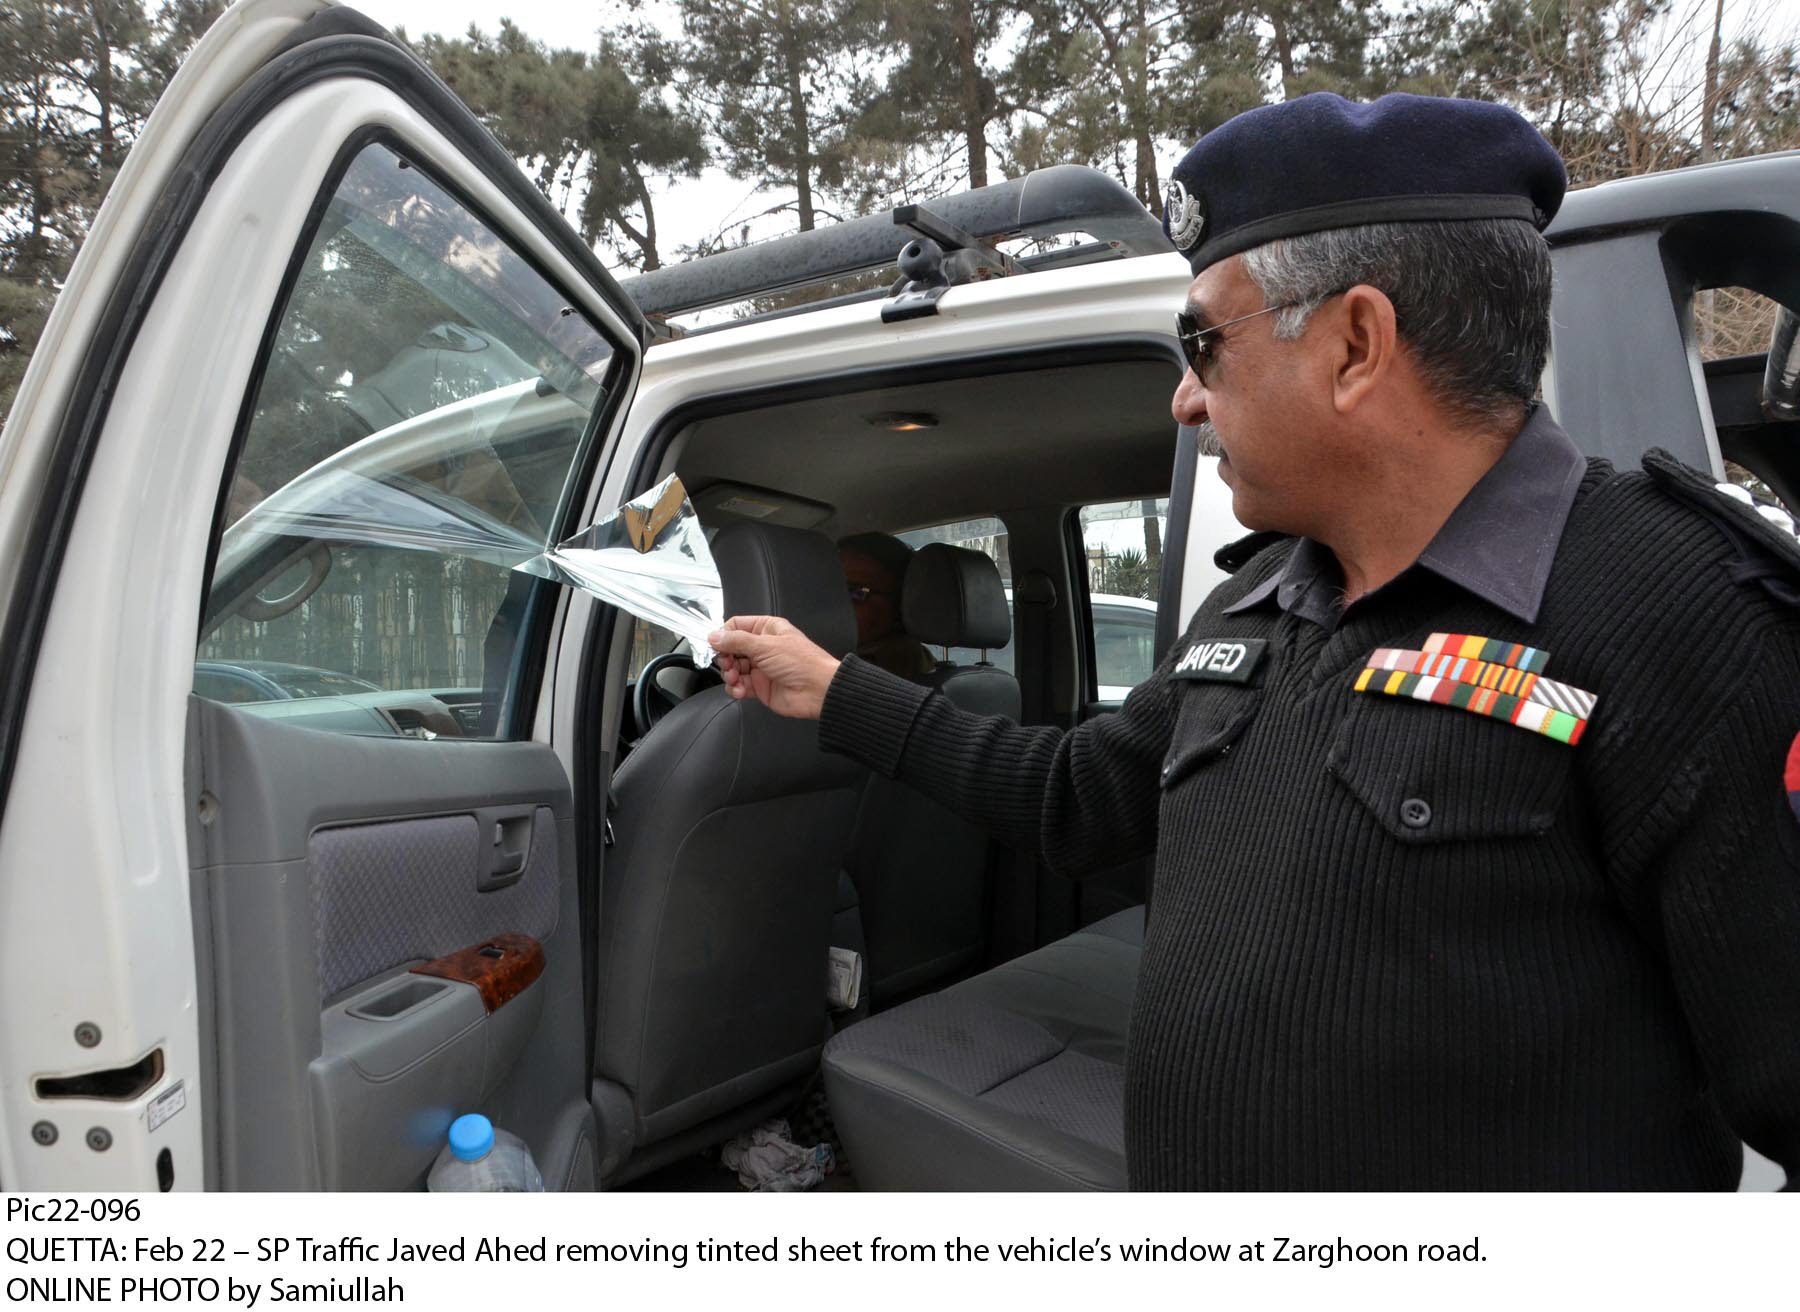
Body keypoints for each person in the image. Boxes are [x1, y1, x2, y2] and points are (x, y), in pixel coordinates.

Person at [711, 92, 1800, 1190]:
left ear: (1355, 344)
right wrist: (837, 687)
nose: (1184, 400)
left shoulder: (1687, 618)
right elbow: (1076, 793)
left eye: (1202, 342)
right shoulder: (1266, 598)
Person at [838, 531, 935, 678]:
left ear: (902, 605)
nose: (833, 600)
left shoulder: (867, 677)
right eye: (829, 586)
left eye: (854, 592)